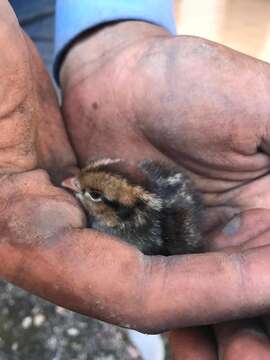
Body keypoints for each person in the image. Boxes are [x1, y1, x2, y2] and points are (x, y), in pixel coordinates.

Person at [3, 0, 270, 358]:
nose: (75, 185)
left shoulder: (143, 221)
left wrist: (113, 37)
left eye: (93, 195)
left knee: (41, 82)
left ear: (122, 212)